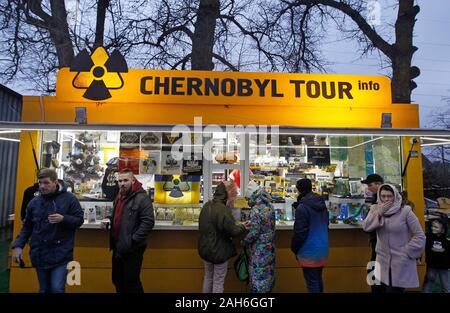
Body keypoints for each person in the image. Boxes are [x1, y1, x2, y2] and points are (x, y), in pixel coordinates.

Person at [11, 168, 84, 293]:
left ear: (55, 182)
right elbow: (27, 227)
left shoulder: (70, 199)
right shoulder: (34, 203)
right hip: (40, 254)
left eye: (46, 183)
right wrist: (18, 246)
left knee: (57, 289)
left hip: (61, 254)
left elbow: (79, 220)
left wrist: (63, 219)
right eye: (40, 183)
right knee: (44, 289)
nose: (42, 186)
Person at [362, 184, 425, 293]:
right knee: (378, 290)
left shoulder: (405, 211)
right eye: (383, 196)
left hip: (400, 261)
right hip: (381, 261)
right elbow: (366, 227)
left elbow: (419, 235)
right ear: (379, 196)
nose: (386, 199)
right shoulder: (375, 209)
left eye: (389, 196)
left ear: (395, 196)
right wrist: (379, 213)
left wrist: (407, 251)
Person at [106, 168, 154, 293]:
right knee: (117, 279)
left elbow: (148, 222)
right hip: (118, 246)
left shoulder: (142, 198)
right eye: (120, 181)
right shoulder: (120, 196)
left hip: (132, 248)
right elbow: (120, 215)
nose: (122, 183)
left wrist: (133, 240)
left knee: (131, 282)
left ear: (133, 180)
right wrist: (109, 219)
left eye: (125, 180)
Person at [198, 180, 247, 293]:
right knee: (218, 281)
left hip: (205, 249)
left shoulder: (207, 205)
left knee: (208, 277)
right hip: (219, 251)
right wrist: (244, 226)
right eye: (234, 193)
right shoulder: (223, 209)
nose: (234, 197)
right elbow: (233, 231)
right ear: (228, 192)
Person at [291, 178, 329, 293]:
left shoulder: (302, 208)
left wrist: (294, 248)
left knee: (312, 284)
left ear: (298, 190)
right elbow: (326, 224)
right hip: (322, 248)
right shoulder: (321, 204)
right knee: (317, 280)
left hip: (308, 250)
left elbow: (300, 233)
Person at [243, 181, 276, 293]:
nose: (247, 202)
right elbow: (267, 225)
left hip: (259, 251)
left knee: (258, 279)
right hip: (270, 249)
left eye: (248, 198)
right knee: (267, 277)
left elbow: (254, 232)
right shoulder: (269, 206)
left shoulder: (256, 209)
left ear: (253, 195)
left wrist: (245, 241)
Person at [361, 173, 384, 293]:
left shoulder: (381, 199)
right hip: (376, 241)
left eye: (370, 185)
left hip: (381, 242)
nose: (368, 188)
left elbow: (369, 224)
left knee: (374, 271)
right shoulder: (375, 197)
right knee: (373, 270)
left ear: (379, 184)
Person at [422, 218, 449, 293]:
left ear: (443, 230)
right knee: (428, 285)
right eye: (432, 226)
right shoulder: (428, 237)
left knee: (446, 286)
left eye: (436, 227)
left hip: (444, 267)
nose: (433, 228)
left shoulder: (447, 241)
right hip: (431, 266)